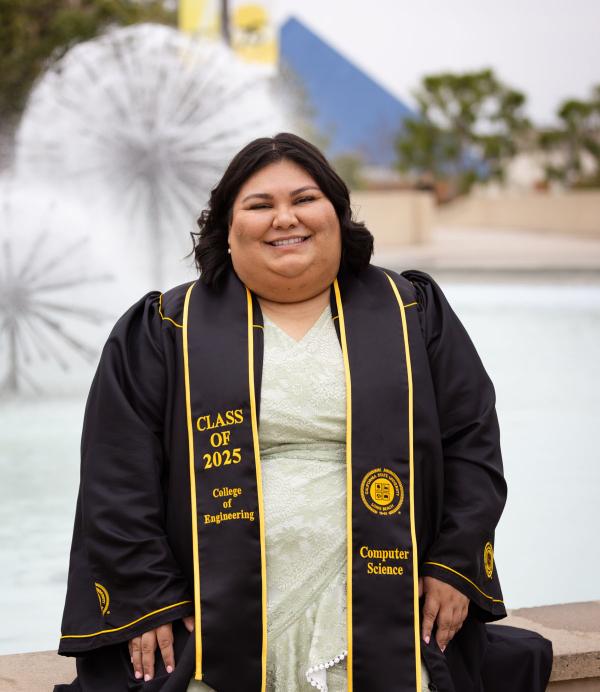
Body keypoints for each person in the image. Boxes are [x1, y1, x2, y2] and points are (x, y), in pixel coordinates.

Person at [54, 133, 552, 692]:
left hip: (386, 598)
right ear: (226, 226)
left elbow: (472, 442)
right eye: (260, 205)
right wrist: (146, 596)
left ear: (337, 214)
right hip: (215, 607)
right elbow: (115, 472)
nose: (284, 219)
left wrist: (454, 565)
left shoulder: (412, 311)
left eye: (304, 200)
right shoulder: (166, 328)